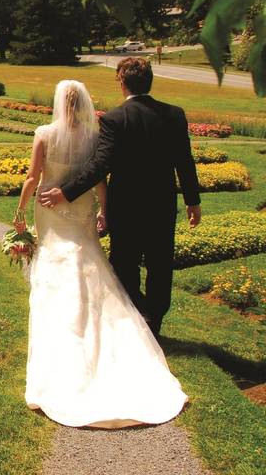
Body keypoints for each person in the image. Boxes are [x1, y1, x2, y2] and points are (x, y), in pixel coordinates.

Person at [14, 77, 189, 428]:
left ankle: (66, 324)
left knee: (57, 258)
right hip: (81, 209)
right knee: (88, 257)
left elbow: (33, 177)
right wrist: (104, 210)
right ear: (82, 103)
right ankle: (123, 319)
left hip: (50, 205)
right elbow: (100, 178)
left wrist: (19, 211)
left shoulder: (43, 132)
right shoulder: (95, 135)